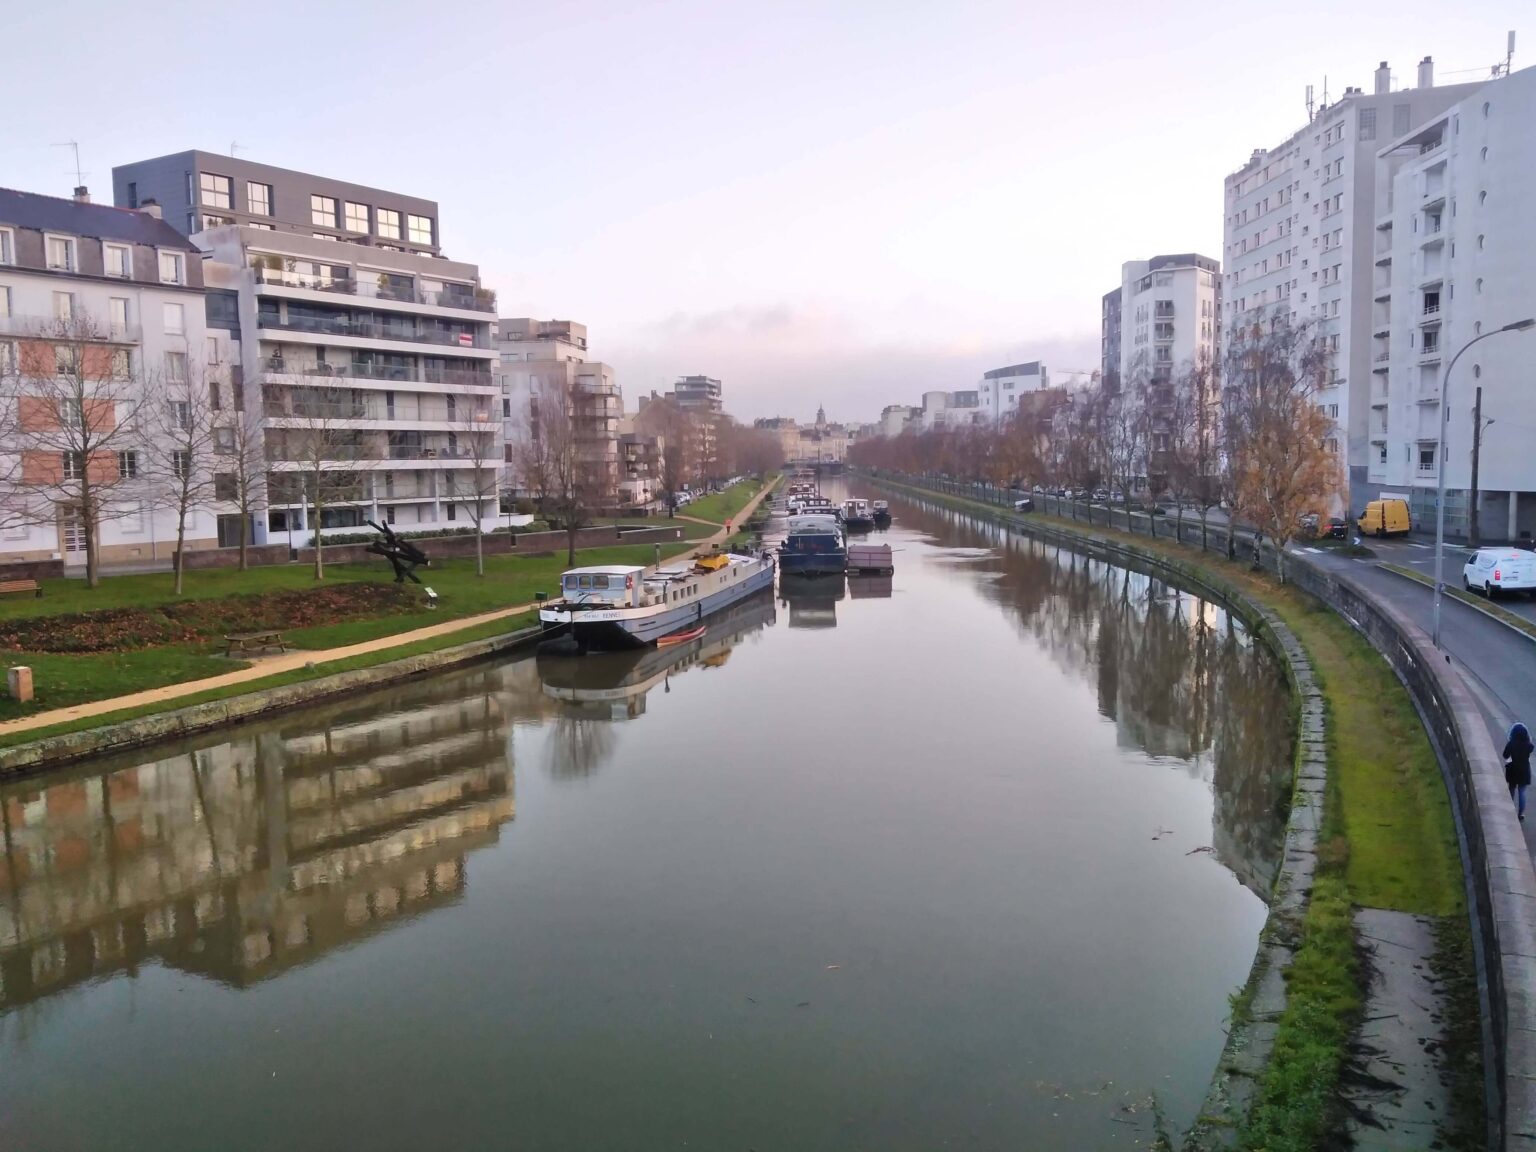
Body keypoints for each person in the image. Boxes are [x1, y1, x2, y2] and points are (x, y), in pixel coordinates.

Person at [1505, 722, 1534, 822]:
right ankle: (1521, 813)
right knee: (1522, 792)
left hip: (1513, 769)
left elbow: (1505, 755)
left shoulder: (1511, 744)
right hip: (1524, 770)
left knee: (1511, 789)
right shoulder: (1528, 745)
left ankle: (1510, 809)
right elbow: (1531, 748)